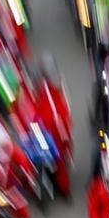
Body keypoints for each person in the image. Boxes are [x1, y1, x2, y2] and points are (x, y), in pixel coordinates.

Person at [34, 54, 74, 198]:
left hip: (53, 132)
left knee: (59, 161)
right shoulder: (50, 87)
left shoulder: (49, 89)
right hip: (50, 130)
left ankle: (64, 190)